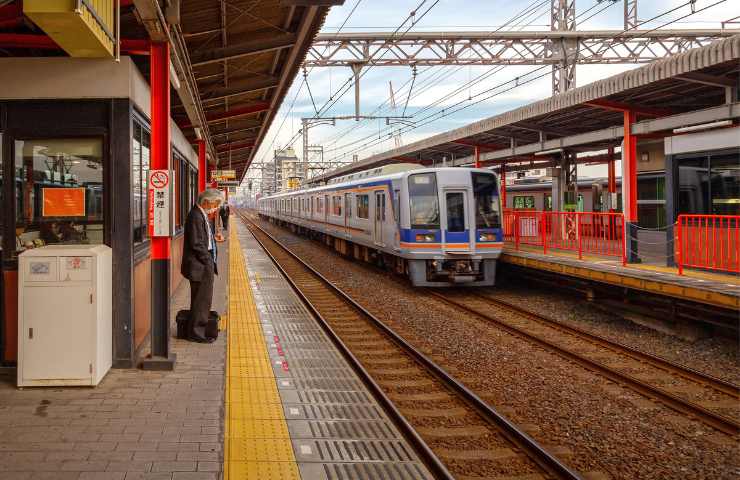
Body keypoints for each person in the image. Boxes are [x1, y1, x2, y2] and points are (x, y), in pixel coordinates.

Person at [181, 188, 223, 343]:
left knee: (201, 300)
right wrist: (208, 260)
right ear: (207, 201)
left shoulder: (201, 215)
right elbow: (196, 243)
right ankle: (197, 333)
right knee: (201, 301)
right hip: (200, 265)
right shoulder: (195, 216)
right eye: (215, 203)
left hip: (202, 264)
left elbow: (203, 238)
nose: (216, 207)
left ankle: (197, 329)